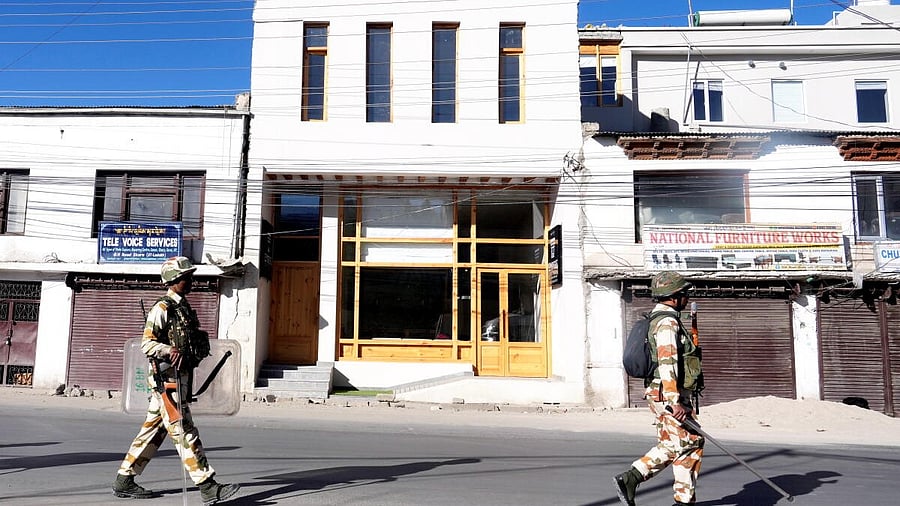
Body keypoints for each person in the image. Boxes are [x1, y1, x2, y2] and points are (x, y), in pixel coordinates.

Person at [112, 256, 240, 505]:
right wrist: (168, 350)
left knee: (153, 431)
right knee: (184, 430)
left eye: (189, 276)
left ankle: (124, 479)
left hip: (179, 379)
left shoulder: (184, 308)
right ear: (173, 280)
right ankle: (207, 486)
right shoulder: (163, 308)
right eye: (185, 277)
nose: (189, 280)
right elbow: (147, 343)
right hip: (166, 382)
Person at [614, 271, 704, 506]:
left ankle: (632, 479)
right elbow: (668, 361)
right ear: (674, 296)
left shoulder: (664, 318)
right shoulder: (667, 323)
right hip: (667, 394)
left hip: (660, 392)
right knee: (690, 441)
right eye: (684, 293)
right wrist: (674, 400)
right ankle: (675, 496)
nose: (686, 297)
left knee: (674, 444)